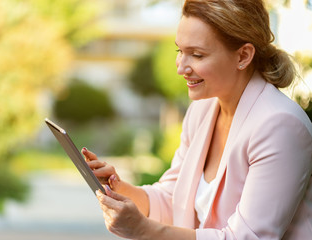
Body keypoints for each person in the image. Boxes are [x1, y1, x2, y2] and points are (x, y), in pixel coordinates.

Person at [82, 0, 312, 239]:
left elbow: (248, 237)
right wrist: (117, 188)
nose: (181, 67)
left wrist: (142, 230)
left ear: (243, 56)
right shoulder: (202, 110)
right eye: (179, 51)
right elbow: (173, 199)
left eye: (197, 55)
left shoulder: (281, 126)